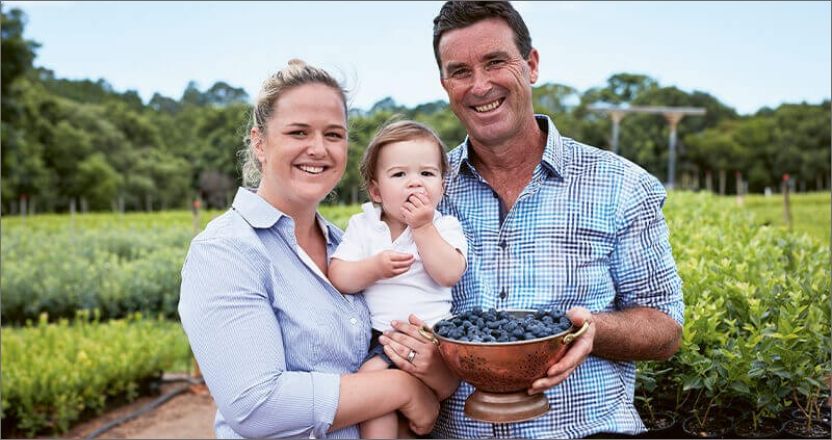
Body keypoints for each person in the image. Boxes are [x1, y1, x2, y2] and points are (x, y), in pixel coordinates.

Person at [385, 2, 685, 438]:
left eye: (495, 62)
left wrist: (591, 331)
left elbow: (666, 328)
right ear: (445, 84)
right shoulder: (422, 193)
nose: (480, 85)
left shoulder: (620, 184)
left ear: (531, 65)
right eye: (461, 71)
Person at [178, 60, 443, 439]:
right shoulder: (226, 251)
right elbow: (255, 406)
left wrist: (429, 370)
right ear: (259, 142)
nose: (318, 149)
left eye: (334, 135)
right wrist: (401, 390)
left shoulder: (348, 246)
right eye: (298, 132)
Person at [329, 120, 467, 438]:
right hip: (383, 337)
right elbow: (340, 276)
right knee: (378, 397)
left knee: (369, 381)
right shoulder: (364, 226)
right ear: (376, 189)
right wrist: (374, 268)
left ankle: (423, 414)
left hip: (434, 338)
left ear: (442, 185)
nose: (415, 184)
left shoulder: (443, 226)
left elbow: (449, 273)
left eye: (427, 174)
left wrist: (422, 228)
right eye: (400, 174)